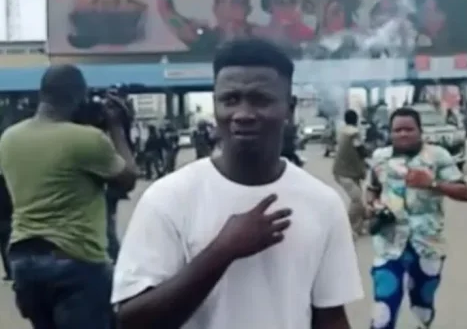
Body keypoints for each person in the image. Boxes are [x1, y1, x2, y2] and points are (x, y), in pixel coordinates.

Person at [111, 39, 363, 329]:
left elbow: (330, 317)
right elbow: (132, 321)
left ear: (289, 109)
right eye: (230, 100)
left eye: (260, 100)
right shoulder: (168, 198)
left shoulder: (323, 203)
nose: (243, 114)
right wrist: (222, 251)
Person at [0, 64, 138, 329]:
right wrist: (117, 127)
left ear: (42, 93)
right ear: (79, 96)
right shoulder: (86, 139)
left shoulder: (9, 138)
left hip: (24, 263)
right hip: (76, 262)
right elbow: (129, 178)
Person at [366, 107, 467, 329]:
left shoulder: (438, 155)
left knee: (422, 307)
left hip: (427, 244)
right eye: (398, 130)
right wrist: (373, 206)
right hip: (388, 243)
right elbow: (372, 189)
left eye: (409, 129)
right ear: (390, 132)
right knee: (384, 306)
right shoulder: (379, 158)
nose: (403, 134)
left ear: (420, 131)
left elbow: (464, 193)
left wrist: (432, 183)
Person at [332, 109, 370, 238]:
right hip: (346, 173)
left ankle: (358, 227)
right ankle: (347, 228)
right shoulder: (354, 133)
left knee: (359, 201)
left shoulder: (342, 131)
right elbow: (361, 150)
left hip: (344, 171)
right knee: (357, 199)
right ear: (356, 119)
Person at [0, 173, 11, 281]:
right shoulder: (8, 183)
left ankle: (9, 271)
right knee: (8, 245)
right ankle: (11, 270)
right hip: (8, 218)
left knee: (3, 247)